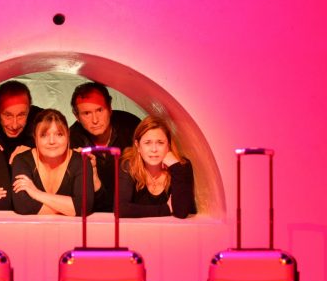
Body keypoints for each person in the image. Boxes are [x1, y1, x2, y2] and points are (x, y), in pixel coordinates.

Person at [69, 82, 141, 213]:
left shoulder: (132, 126)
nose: (95, 120)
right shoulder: (71, 141)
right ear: (77, 116)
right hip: (93, 213)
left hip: (133, 211)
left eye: (100, 110)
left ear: (110, 108)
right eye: (86, 113)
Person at [11, 109, 94, 216]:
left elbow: (83, 207)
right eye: (44, 135)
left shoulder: (81, 161)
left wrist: (37, 193)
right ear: (35, 137)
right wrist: (69, 208)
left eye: (59, 134)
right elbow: (23, 206)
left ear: (68, 135)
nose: (52, 141)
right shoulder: (22, 160)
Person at [119, 115, 196, 218]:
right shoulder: (128, 165)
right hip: (139, 228)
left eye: (160, 143)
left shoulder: (181, 166)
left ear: (168, 145)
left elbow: (181, 212)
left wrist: (175, 166)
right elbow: (120, 209)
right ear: (138, 146)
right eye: (147, 143)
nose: (154, 149)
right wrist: (166, 209)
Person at [0, 80, 43, 164]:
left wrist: (36, 150)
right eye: (8, 115)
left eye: (21, 115)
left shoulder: (43, 120)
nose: (14, 126)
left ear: (29, 109)